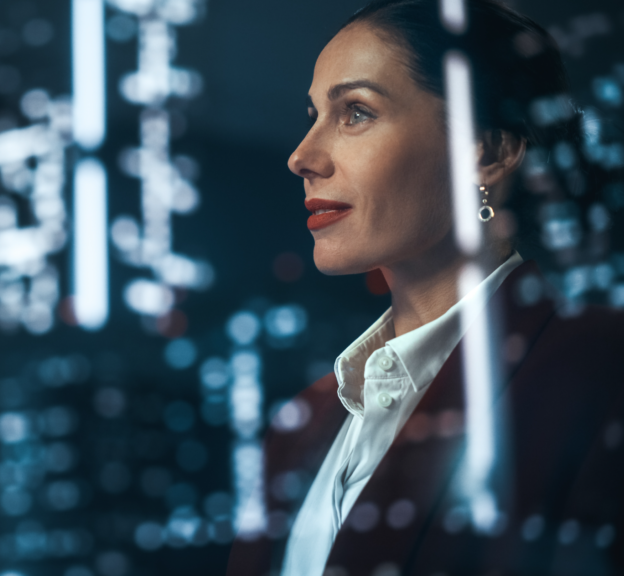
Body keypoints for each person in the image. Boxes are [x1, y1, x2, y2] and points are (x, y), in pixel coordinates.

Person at [226, 0, 624, 574]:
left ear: (486, 151)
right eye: (312, 114)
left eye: (355, 112)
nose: (302, 157)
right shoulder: (302, 427)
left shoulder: (596, 377)